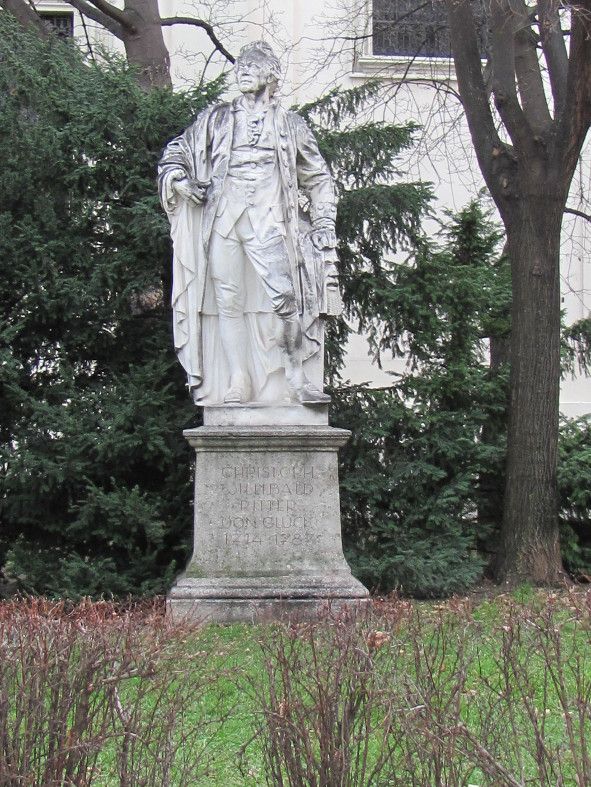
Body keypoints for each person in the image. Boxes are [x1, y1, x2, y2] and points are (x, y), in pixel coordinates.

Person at [158, 40, 340, 406]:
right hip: (224, 219)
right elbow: (178, 151)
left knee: (286, 299)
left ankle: (295, 376)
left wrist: (323, 222)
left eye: (253, 65)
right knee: (228, 301)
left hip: (270, 221)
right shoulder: (216, 118)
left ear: (271, 75)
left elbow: (318, 179)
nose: (243, 70)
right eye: (240, 65)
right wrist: (178, 177)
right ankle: (238, 378)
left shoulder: (290, 125)